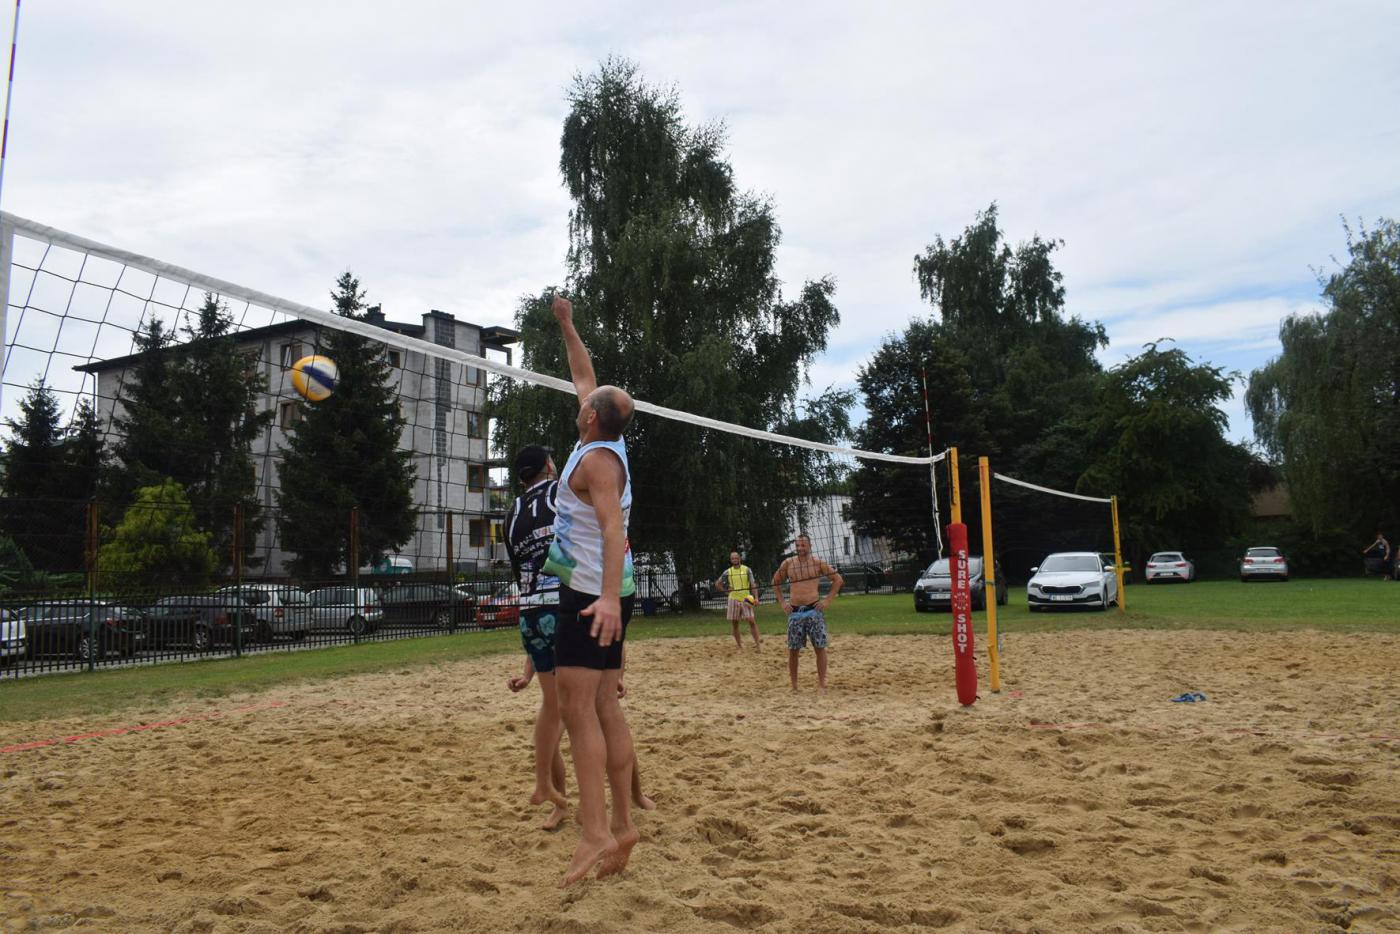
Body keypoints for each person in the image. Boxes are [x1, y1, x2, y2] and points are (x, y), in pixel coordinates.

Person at [540, 293, 642, 886]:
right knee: (604, 706)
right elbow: (584, 374)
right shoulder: (604, 436)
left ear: (589, 418)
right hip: (608, 586)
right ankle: (623, 825)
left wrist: (603, 599)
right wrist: (568, 325)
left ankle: (596, 830)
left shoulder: (599, 463)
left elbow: (612, 528)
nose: (582, 395)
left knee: (576, 710)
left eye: (587, 400)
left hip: (590, 592)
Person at [503, 444, 654, 833]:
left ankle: (557, 798)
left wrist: (529, 666)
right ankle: (628, 798)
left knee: (556, 709)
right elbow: (609, 532)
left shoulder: (511, 513)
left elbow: (525, 576)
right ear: (550, 465)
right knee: (603, 706)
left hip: (532, 614)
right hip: (573, 602)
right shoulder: (565, 489)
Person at [771, 533, 843, 693]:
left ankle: (821, 685)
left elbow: (838, 580)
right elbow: (775, 582)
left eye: (803, 545)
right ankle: (794, 686)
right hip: (795, 612)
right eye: (797, 545)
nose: (800, 548)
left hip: (814, 611)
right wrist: (782, 602)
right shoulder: (788, 563)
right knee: (793, 650)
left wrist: (827, 601)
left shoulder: (818, 563)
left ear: (810, 546)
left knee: (819, 647)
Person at [714, 551, 761, 650]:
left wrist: (756, 598)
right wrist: (726, 591)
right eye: (732, 558)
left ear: (740, 558)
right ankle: (740, 646)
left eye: (736, 558)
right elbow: (717, 583)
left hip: (746, 599)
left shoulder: (747, 570)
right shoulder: (728, 572)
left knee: (751, 621)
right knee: (735, 623)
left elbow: (753, 584)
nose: (734, 560)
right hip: (733, 599)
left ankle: (758, 645)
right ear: (731, 560)